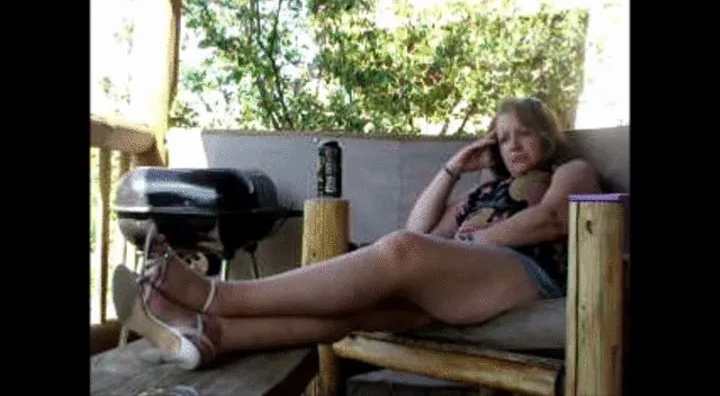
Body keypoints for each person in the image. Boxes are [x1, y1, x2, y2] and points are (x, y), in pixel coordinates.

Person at [112, 96, 603, 370]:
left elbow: (552, 219)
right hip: (463, 281)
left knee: (399, 251)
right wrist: (455, 166)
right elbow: (420, 229)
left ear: (545, 134)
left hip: (529, 276)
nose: (511, 145)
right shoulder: (481, 194)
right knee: (354, 312)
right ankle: (213, 333)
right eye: (501, 137)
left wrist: (470, 242)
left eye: (522, 133)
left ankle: (213, 296)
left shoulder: (571, 169)